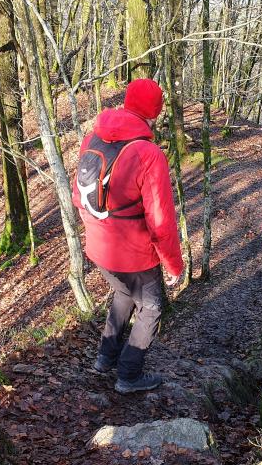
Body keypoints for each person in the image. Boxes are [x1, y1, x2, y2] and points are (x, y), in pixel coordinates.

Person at [72, 79, 184, 394]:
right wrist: (174, 265)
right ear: (155, 112)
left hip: (98, 246)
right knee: (151, 307)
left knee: (123, 293)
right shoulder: (148, 153)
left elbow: (78, 195)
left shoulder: (93, 137)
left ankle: (105, 358)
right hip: (133, 253)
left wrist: (94, 232)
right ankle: (129, 376)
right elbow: (161, 221)